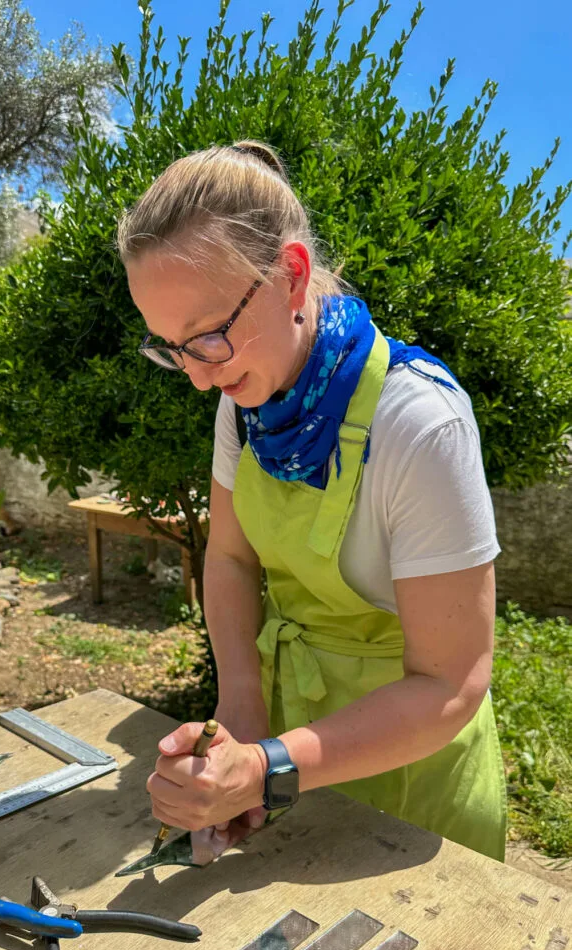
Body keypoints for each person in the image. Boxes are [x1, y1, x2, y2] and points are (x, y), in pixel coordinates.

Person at [117, 140, 507, 862]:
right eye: (171, 347)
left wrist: (266, 767)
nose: (198, 378)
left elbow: (451, 683)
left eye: (206, 337)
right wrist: (240, 713)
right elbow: (230, 559)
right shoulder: (245, 406)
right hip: (289, 752)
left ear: (291, 276)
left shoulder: (418, 425)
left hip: (417, 770)